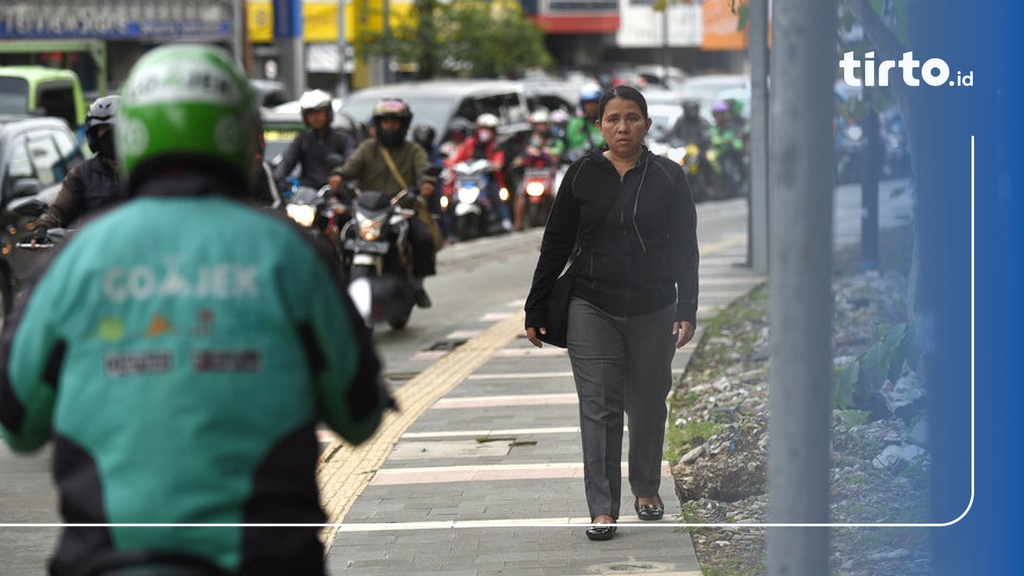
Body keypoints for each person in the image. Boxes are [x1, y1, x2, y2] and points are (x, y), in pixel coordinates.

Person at [0, 44, 392, 576]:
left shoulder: (74, 262)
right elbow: (360, 413)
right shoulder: (291, 253)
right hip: (263, 558)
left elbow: (19, 422)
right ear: (240, 135)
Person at [524, 85, 699, 541]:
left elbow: (685, 247)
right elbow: (556, 244)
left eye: (633, 118)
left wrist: (688, 307)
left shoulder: (668, 176)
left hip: (653, 307)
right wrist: (535, 303)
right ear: (599, 125)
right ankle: (602, 508)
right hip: (591, 304)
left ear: (647, 124)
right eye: (613, 119)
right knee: (599, 407)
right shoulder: (582, 174)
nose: (623, 127)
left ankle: (646, 488)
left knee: (646, 402)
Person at [328, 98, 440, 308]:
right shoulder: (367, 148)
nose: (389, 126)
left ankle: (417, 284)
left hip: (401, 208)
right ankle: (339, 281)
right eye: (385, 122)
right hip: (368, 210)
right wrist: (338, 176)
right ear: (378, 124)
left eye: (394, 122)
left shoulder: (413, 150)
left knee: (423, 238)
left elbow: (425, 169)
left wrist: (427, 183)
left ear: (404, 124)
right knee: (340, 233)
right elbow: (350, 167)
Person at [29, 94, 125, 239]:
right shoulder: (82, 174)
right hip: (95, 250)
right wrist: (43, 226)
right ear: (93, 136)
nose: (108, 136)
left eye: (113, 129)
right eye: (103, 130)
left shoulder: (145, 170)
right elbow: (60, 209)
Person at [272, 88, 358, 191]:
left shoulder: (342, 138)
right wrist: (275, 179)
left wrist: (340, 175)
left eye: (319, 112)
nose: (315, 117)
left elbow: (352, 163)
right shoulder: (302, 139)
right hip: (307, 196)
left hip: (337, 194)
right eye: (310, 113)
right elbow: (287, 162)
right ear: (305, 116)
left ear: (328, 113)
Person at [444, 112, 513, 232]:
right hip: (468, 179)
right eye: (483, 128)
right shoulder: (470, 143)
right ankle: (450, 230)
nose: (485, 132)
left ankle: (505, 220)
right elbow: (457, 159)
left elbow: (499, 161)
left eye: (489, 129)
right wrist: (450, 164)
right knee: (450, 197)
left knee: (497, 195)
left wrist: (494, 164)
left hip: (487, 178)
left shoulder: (495, 146)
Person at [511, 108, 564, 231]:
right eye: (537, 124)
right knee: (520, 193)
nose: (540, 127)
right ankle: (518, 223)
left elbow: (557, 155)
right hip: (531, 174)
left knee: (558, 192)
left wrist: (549, 154)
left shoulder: (554, 138)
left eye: (543, 124)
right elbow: (521, 156)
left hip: (549, 173)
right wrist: (519, 160)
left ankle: (560, 219)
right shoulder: (528, 140)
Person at [563, 84, 606, 161]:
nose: (591, 107)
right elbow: (561, 144)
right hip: (575, 166)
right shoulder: (574, 124)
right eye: (587, 104)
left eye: (594, 103)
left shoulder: (607, 124)